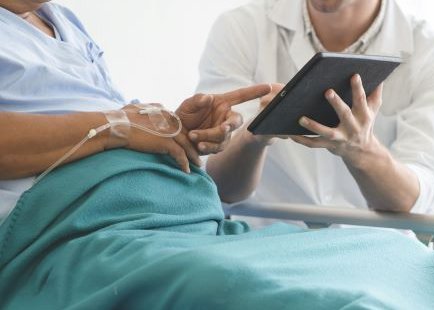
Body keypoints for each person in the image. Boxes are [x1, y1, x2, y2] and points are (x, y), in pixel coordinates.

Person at [1, 2, 434, 309]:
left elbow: (421, 198)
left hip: (188, 217)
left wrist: (169, 128)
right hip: (109, 225)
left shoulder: (62, 21)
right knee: (309, 294)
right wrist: (247, 133)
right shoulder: (243, 28)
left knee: (424, 265)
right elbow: (109, 130)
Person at [0, 0, 270, 224]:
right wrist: (119, 127)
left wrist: (174, 131)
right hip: (86, 227)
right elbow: (114, 126)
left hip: (169, 214)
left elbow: (102, 115)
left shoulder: (61, 19)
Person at [197, 0, 434, 216]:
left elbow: (418, 198)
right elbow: (219, 186)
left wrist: (363, 152)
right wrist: (253, 135)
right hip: (265, 248)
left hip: (375, 257)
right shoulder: (241, 29)